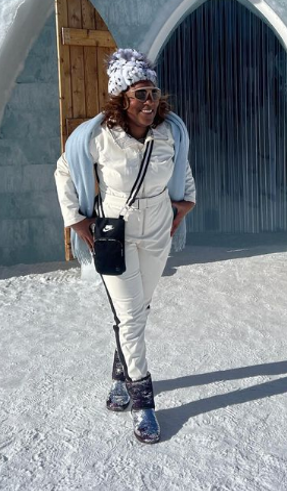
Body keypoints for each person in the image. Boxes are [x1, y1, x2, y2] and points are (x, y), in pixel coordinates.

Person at [54, 48, 196, 444]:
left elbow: (182, 167)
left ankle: (120, 378)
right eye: (140, 95)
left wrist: (185, 203)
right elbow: (64, 169)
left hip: (157, 232)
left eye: (153, 93)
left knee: (138, 310)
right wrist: (76, 219)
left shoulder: (170, 133)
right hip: (115, 231)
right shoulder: (98, 137)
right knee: (131, 318)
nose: (149, 102)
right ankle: (143, 401)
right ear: (122, 99)